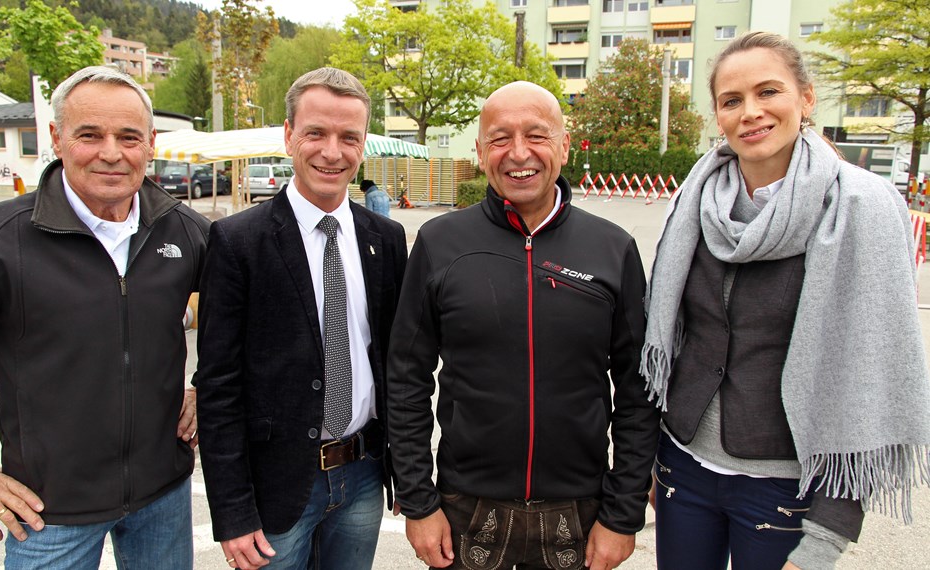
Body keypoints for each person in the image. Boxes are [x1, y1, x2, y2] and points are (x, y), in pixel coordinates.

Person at [641, 31, 930, 570]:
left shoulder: (863, 206)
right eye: (732, 101)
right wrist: (655, 464)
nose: (750, 112)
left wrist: (825, 537)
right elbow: (678, 344)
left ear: (806, 98)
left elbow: (869, 375)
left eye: (768, 92)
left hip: (786, 485)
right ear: (718, 116)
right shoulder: (695, 200)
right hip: (685, 467)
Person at [0, 65, 209, 568]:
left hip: (164, 497)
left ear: (150, 143)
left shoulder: (185, 231)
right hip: (47, 511)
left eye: (128, 137)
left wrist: (207, 385)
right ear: (57, 139)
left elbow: (247, 323)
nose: (110, 153)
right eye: (89, 135)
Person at [386, 81, 659, 570]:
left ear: (564, 145)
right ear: (479, 150)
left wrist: (624, 513)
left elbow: (638, 390)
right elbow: (406, 378)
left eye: (536, 135)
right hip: (464, 508)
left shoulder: (613, 248)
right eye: (499, 138)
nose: (518, 154)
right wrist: (419, 501)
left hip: (579, 510)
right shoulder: (439, 242)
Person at [194, 67, 408, 570]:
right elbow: (218, 385)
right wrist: (231, 511)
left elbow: (398, 364)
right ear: (289, 135)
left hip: (362, 476)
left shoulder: (386, 239)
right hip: (277, 485)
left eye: (348, 137)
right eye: (316, 133)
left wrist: (406, 472)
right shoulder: (236, 242)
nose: (332, 152)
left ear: (363, 145)